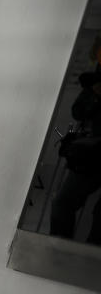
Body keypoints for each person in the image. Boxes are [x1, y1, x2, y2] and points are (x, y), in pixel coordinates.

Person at [50, 70, 101, 243]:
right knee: (62, 205)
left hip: (92, 151)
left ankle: (90, 261)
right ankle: (59, 254)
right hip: (90, 157)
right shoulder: (95, 82)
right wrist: (94, 93)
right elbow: (77, 112)